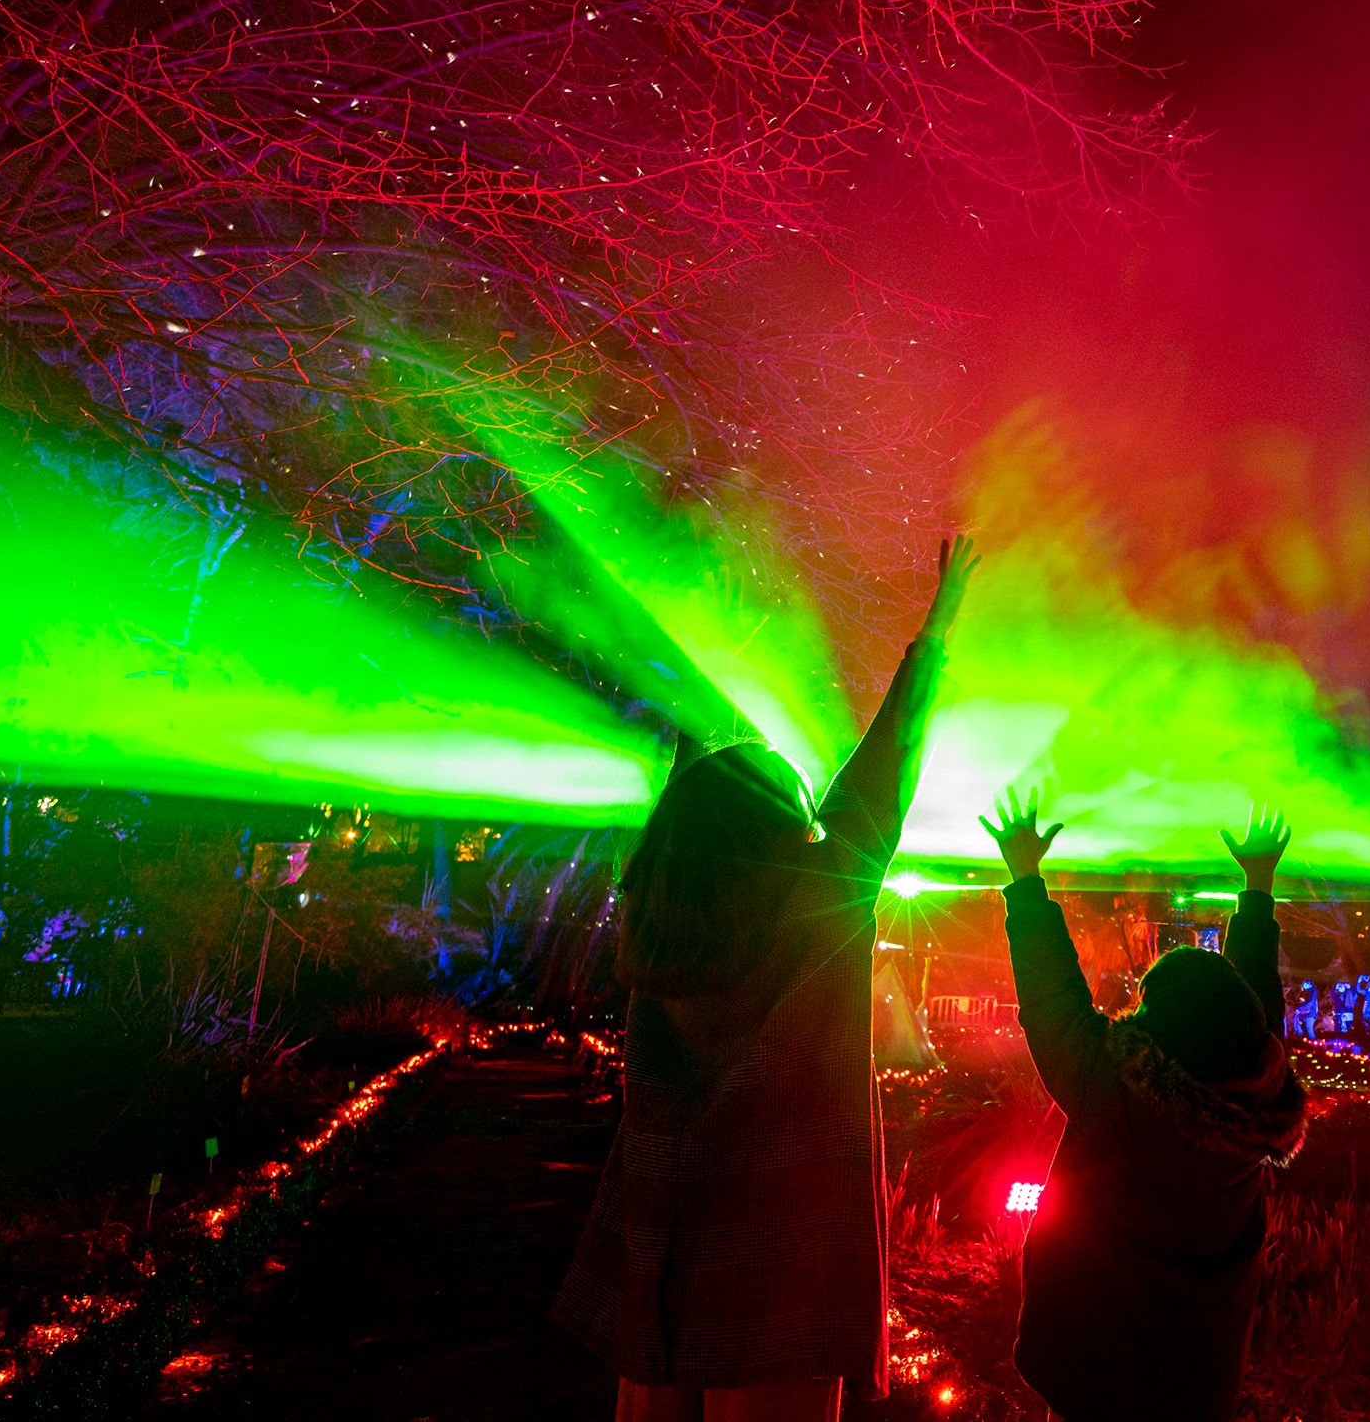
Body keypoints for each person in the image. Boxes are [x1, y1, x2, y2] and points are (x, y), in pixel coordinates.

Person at [555, 536, 979, 1422]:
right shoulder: (816, 923)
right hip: (779, 1268)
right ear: (783, 838)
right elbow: (880, 780)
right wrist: (934, 633)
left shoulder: (659, 922)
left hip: (661, 1259)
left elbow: (698, 817)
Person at [979, 796, 1308, 1422]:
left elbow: (1051, 1002)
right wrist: (1258, 888)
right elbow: (1255, 1005)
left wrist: (1024, 879)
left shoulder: (1115, 1093)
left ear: (1158, 1027)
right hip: (1197, 1383)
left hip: (1090, 1372)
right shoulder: (1257, 1098)